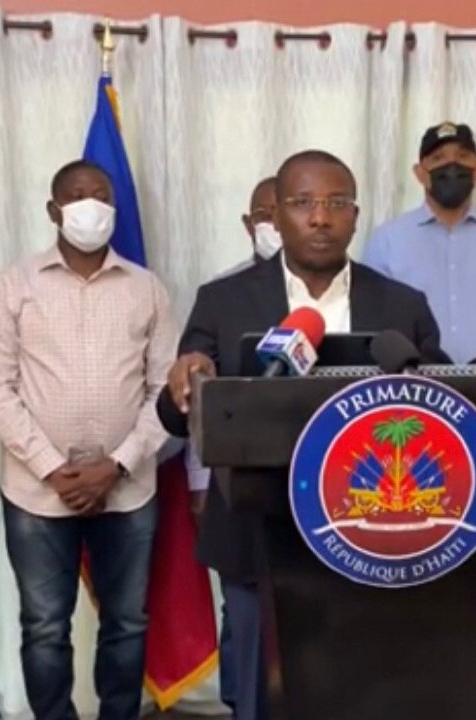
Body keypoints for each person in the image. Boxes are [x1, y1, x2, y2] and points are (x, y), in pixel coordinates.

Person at [158, 149, 449, 720]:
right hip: (255, 535)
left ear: (355, 216)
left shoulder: (401, 306)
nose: (320, 218)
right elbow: (175, 416)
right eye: (302, 203)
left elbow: (437, 412)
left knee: (364, 695)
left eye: (336, 203)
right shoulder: (224, 301)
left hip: (369, 534)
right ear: (276, 215)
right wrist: (185, 382)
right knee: (259, 697)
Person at [0, 160, 177, 720]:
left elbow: (166, 390)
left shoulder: (146, 289)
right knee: (44, 626)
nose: (91, 205)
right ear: (53, 210)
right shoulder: (16, 285)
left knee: (127, 621)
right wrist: (50, 467)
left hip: (128, 486)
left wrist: (118, 464)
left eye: (101, 195)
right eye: (77, 195)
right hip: (37, 492)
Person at [362, 120, 476, 717]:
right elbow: (376, 328)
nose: (452, 166)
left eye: (463, 156)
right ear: (419, 171)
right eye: (439, 157)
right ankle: (413, 692)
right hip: (411, 426)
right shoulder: (387, 241)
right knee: (410, 559)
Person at [182, 174, 278, 720]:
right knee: (245, 633)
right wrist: (201, 484)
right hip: (242, 501)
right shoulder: (221, 297)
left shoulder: (380, 296)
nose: (278, 223)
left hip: (333, 502)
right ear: (250, 224)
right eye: (266, 214)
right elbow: (192, 397)